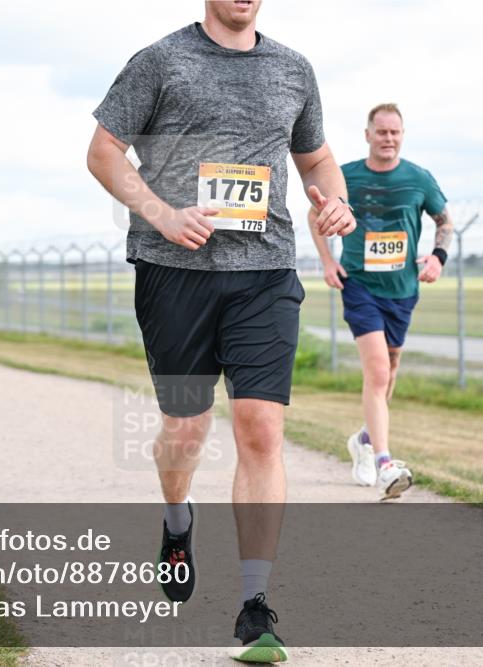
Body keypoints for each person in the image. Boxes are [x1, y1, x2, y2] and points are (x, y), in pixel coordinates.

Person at [87, 1, 355, 661]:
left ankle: (255, 605)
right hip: (173, 271)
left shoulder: (293, 69)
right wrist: (162, 212)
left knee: (261, 428)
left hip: (264, 271)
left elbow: (316, 160)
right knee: (186, 429)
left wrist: (336, 200)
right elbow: (102, 153)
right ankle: (177, 520)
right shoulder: (160, 61)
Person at [309, 103, 454, 500]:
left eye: (395, 132)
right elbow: (315, 213)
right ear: (368, 134)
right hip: (360, 285)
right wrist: (327, 260)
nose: (388, 139)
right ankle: (386, 461)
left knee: (388, 374)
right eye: (381, 132)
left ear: (402, 135)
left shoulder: (419, 179)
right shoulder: (348, 176)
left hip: (403, 289)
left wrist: (438, 258)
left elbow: (444, 222)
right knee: (376, 371)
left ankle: (364, 439)